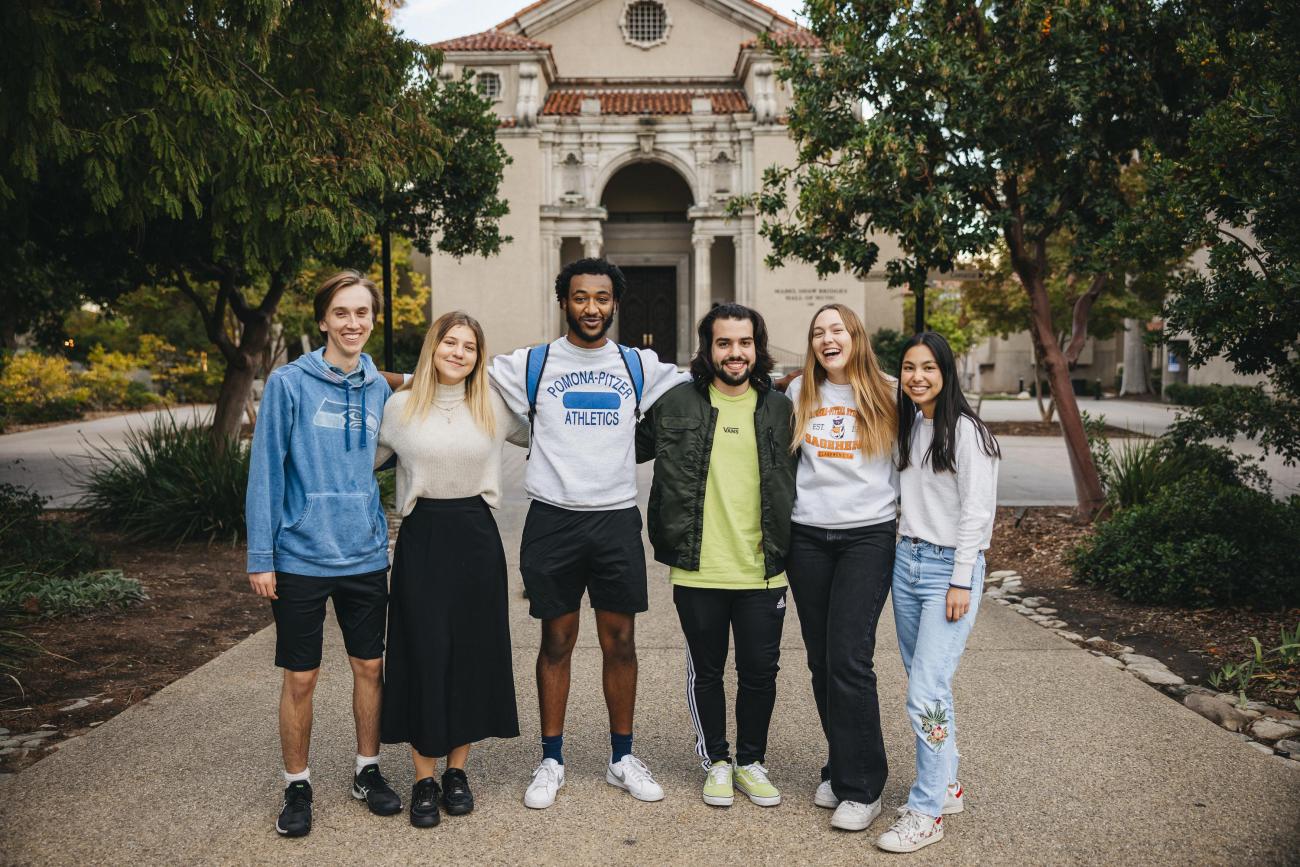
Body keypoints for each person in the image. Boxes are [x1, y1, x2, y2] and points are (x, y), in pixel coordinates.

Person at [488, 258, 689, 809]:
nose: (592, 308)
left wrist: (794, 379)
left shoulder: (636, 366)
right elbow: (454, 375)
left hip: (616, 518)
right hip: (552, 519)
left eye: (602, 298)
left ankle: (621, 757)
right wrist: (392, 379)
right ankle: (550, 759)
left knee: (619, 641)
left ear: (615, 304)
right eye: (581, 297)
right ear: (564, 302)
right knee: (557, 640)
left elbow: (710, 380)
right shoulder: (532, 363)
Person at [246, 270, 401, 838]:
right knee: (302, 676)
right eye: (342, 312)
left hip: (364, 553)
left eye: (362, 313)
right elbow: (265, 471)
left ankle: (367, 770)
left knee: (370, 667)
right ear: (322, 319)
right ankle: (297, 783)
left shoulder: (378, 388)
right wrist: (260, 556)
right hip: (300, 556)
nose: (353, 323)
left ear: (372, 320)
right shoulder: (290, 383)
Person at [635, 304, 796, 809]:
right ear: (707, 349)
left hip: (763, 569)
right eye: (724, 343)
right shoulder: (676, 403)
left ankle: (750, 760)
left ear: (757, 347)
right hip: (697, 565)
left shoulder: (780, 408)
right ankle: (718, 761)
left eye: (744, 343)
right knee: (706, 670)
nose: (735, 353)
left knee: (759, 672)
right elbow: (614, 445)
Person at [374, 311, 528, 828]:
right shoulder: (398, 410)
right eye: (450, 343)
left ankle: (456, 772)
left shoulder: (494, 407)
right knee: (424, 651)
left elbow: (547, 426)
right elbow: (355, 462)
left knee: (468, 653)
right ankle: (422, 776)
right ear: (432, 347)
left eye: (469, 346)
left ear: (478, 356)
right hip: (423, 536)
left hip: (477, 537)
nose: (458, 353)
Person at [876, 331, 999, 854]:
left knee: (925, 690)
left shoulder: (966, 432)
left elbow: (977, 513)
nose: (917, 377)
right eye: (908, 368)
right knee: (929, 684)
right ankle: (947, 785)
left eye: (928, 367)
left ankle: (927, 811)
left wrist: (959, 579)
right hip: (907, 561)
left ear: (946, 373)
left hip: (949, 569)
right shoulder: (910, 425)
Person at [783, 303, 899, 832]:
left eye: (836, 330)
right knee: (821, 660)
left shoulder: (891, 395)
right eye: (817, 333)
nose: (827, 339)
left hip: (867, 537)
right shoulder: (797, 394)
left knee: (850, 659)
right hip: (808, 537)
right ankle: (841, 761)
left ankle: (864, 785)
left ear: (855, 336)